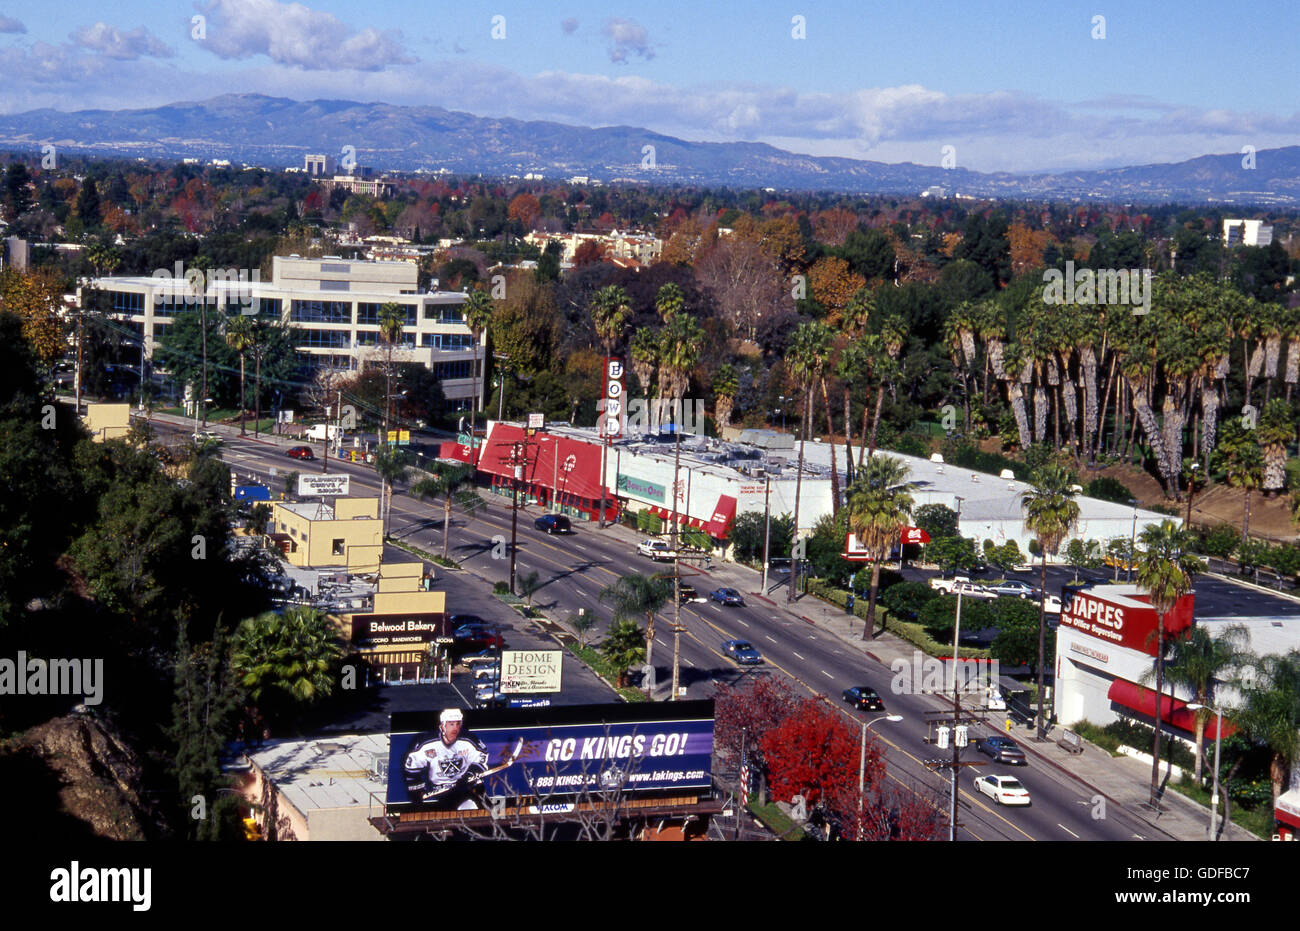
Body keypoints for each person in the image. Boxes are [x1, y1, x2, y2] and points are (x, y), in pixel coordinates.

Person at [402, 708, 490, 810]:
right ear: (443, 726)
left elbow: (481, 758)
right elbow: (412, 769)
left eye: (458, 724)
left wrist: (470, 775)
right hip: (440, 789)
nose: (455, 728)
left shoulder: (469, 741)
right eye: (451, 724)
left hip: (465, 785)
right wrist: (417, 789)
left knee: (485, 807)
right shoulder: (427, 744)